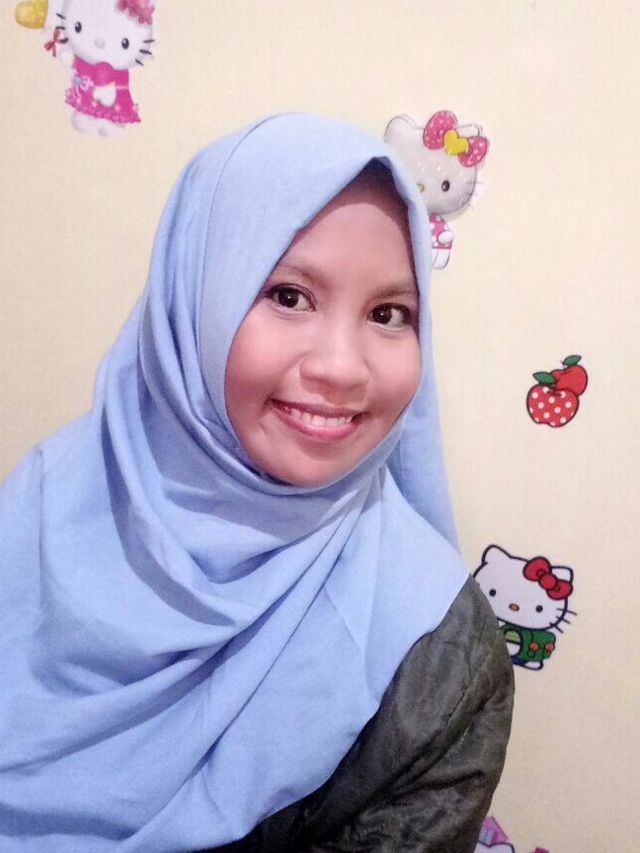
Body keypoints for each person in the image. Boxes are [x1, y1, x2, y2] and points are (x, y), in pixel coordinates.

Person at [0, 113, 513, 852]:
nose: (341, 367)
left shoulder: (440, 658)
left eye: (388, 313)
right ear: (193, 298)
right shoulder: (45, 496)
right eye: (289, 296)